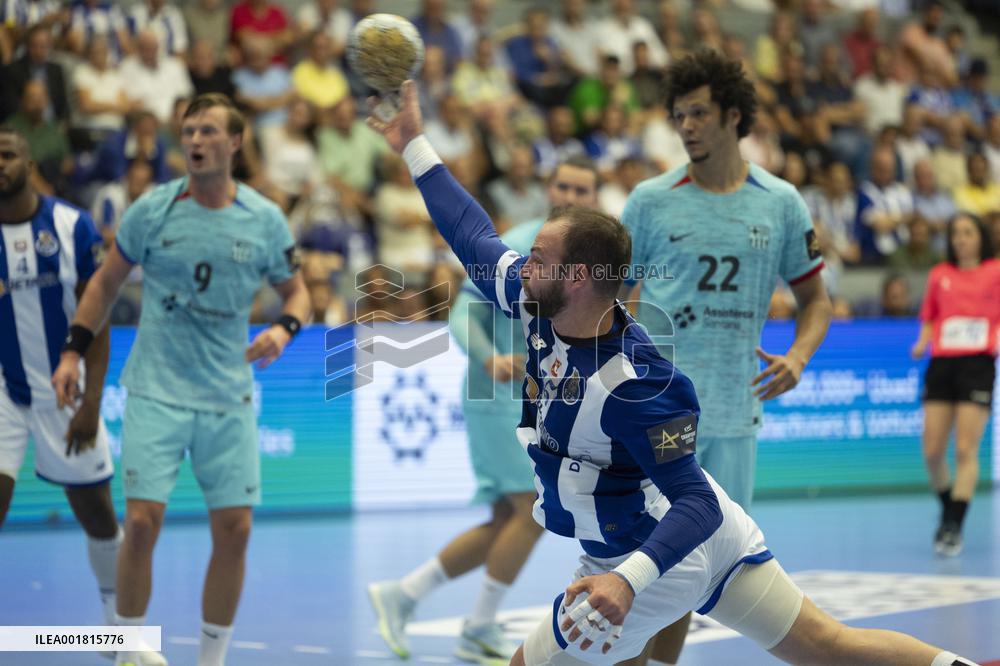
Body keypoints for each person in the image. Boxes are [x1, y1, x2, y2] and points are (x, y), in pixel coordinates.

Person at [366, 78, 981, 666]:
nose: (522, 265)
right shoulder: (535, 300)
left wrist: (628, 582)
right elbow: (470, 233)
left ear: (578, 279)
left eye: (540, 259)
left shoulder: (638, 384)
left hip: (663, 549)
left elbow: (694, 502)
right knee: (827, 648)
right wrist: (414, 145)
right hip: (664, 541)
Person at [51, 93, 311, 666]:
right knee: (141, 524)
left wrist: (285, 328)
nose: (195, 141)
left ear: (235, 142)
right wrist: (71, 353)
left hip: (227, 394)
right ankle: (125, 649)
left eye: (209, 131)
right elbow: (103, 285)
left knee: (237, 531)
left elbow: (298, 292)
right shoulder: (152, 209)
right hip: (156, 389)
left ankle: (210, 660)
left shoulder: (265, 219)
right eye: (188, 131)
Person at [620, 49, 834, 666]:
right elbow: (609, 300)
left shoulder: (782, 203)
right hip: (656, 415)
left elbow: (816, 300)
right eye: (679, 115)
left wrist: (798, 355)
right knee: (642, 561)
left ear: (733, 116)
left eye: (699, 113)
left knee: (697, 569)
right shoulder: (649, 202)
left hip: (737, 416)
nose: (686, 126)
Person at [367, 156, 601, 662]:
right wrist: (490, 356)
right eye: (564, 185)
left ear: (596, 196)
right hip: (497, 398)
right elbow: (460, 312)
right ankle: (478, 625)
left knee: (505, 519)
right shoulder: (521, 243)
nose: (572, 195)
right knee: (531, 512)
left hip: (538, 402)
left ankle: (402, 594)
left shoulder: (591, 260)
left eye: (583, 189)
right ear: (548, 188)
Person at [0, 125, 122, 650]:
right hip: (4, 392)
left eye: (5, 154)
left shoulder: (72, 227)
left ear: (28, 165)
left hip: (66, 392)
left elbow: (97, 317)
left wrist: (92, 402)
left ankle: (121, 633)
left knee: (97, 516)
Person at [911, 212, 999, 557]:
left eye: (967, 232)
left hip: (977, 364)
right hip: (942, 364)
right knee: (932, 451)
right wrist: (922, 341)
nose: (960, 239)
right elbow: (930, 317)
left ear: (980, 237)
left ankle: (954, 526)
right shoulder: (940, 275)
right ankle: (950, 506)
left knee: (965, 449)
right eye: (955, 234)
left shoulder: (994, 272)